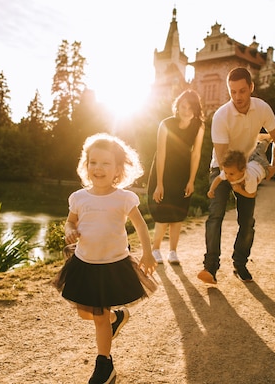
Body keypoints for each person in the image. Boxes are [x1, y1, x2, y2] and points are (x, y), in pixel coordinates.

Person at [53, 133, 158, 384]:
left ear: (118, 170)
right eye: (93, 162)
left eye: (105, 163)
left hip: (112, 265)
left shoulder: (123, 198)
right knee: (85, 313)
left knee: (99, 316)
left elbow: (141, 226)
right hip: (84, 264)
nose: (98, 168)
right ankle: (117, 318)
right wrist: (69, 231)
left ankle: (104, 366)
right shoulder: (79, 197)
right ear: (86, 165)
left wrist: (147, 252)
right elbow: (70, 221)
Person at [197, 67, 275, 285]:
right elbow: (222, 156)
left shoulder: (262, 108)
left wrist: (273, 166)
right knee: (215, 215)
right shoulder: (221, 116)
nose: (237, 97)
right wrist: (234, 182)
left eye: (242, 91)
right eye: (233, 91)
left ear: (251, 88)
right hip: (222, 167)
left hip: (248, 168)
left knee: (247, 221)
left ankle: (240, 263)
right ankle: (210, 268)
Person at [147, 89, 205, 265]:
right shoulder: (165, 124)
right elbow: (161, 154)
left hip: (183, 173)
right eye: (183, 106)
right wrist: (159, 183)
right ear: (177, 107)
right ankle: (155, 249)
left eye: (190, 107)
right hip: (164, 171)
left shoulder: (199, 127)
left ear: (196, 109)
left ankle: (173, 252)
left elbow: (196, 155)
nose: (186, 110)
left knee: (178, 214)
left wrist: (191, 180)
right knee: (163, 213)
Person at [207, 135, 275, 199]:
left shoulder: (249, 179)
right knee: (259, 151)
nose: (227, 176)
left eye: (230, 173)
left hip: (261, 165)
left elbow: (252, 194)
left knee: (260, 152)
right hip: (253, 163)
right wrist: (211, 189)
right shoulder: (230, 172)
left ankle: (268, 142)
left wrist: (240, 191)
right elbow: (218, 178)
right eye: (226, 172)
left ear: (242, 170)